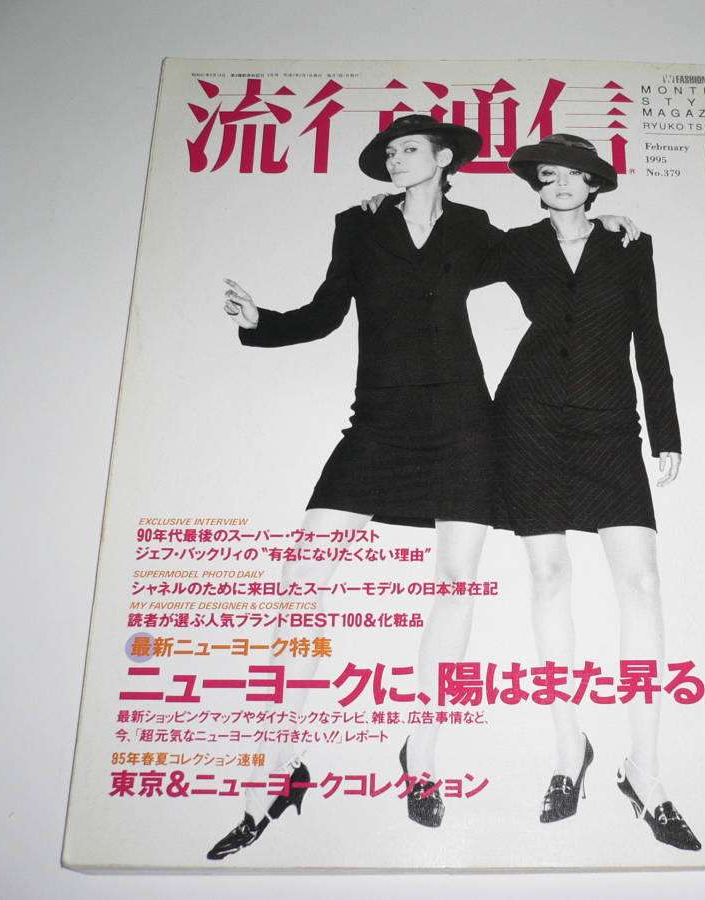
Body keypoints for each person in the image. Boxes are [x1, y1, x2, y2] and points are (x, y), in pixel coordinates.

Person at [208, 114, 502, 858]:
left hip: (463, 422)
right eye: (388, 152)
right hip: (378, 421)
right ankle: (278, 767)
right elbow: (327, 310)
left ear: (443, 158)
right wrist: (262, 320)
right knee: (302, 583)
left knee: (456, 586)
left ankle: (422, 755)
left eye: (408, 149)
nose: (394, 158)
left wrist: (598, 224)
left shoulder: (473, 226)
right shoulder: (359, 224)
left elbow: (540, 260)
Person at [489, 134, 701, 851]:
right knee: (549, 578)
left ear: (594, 185)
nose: (558, 182)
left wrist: (665, 431)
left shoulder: (628, 244)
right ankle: (566, 750)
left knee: (640, 583)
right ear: (538, 184)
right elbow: (441, 252)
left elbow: (650, 336)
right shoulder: (516, 245)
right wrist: (391, 202)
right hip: (530, 418)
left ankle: (645, 770)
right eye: (548, 174)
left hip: (609, 422)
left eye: (573, 174)